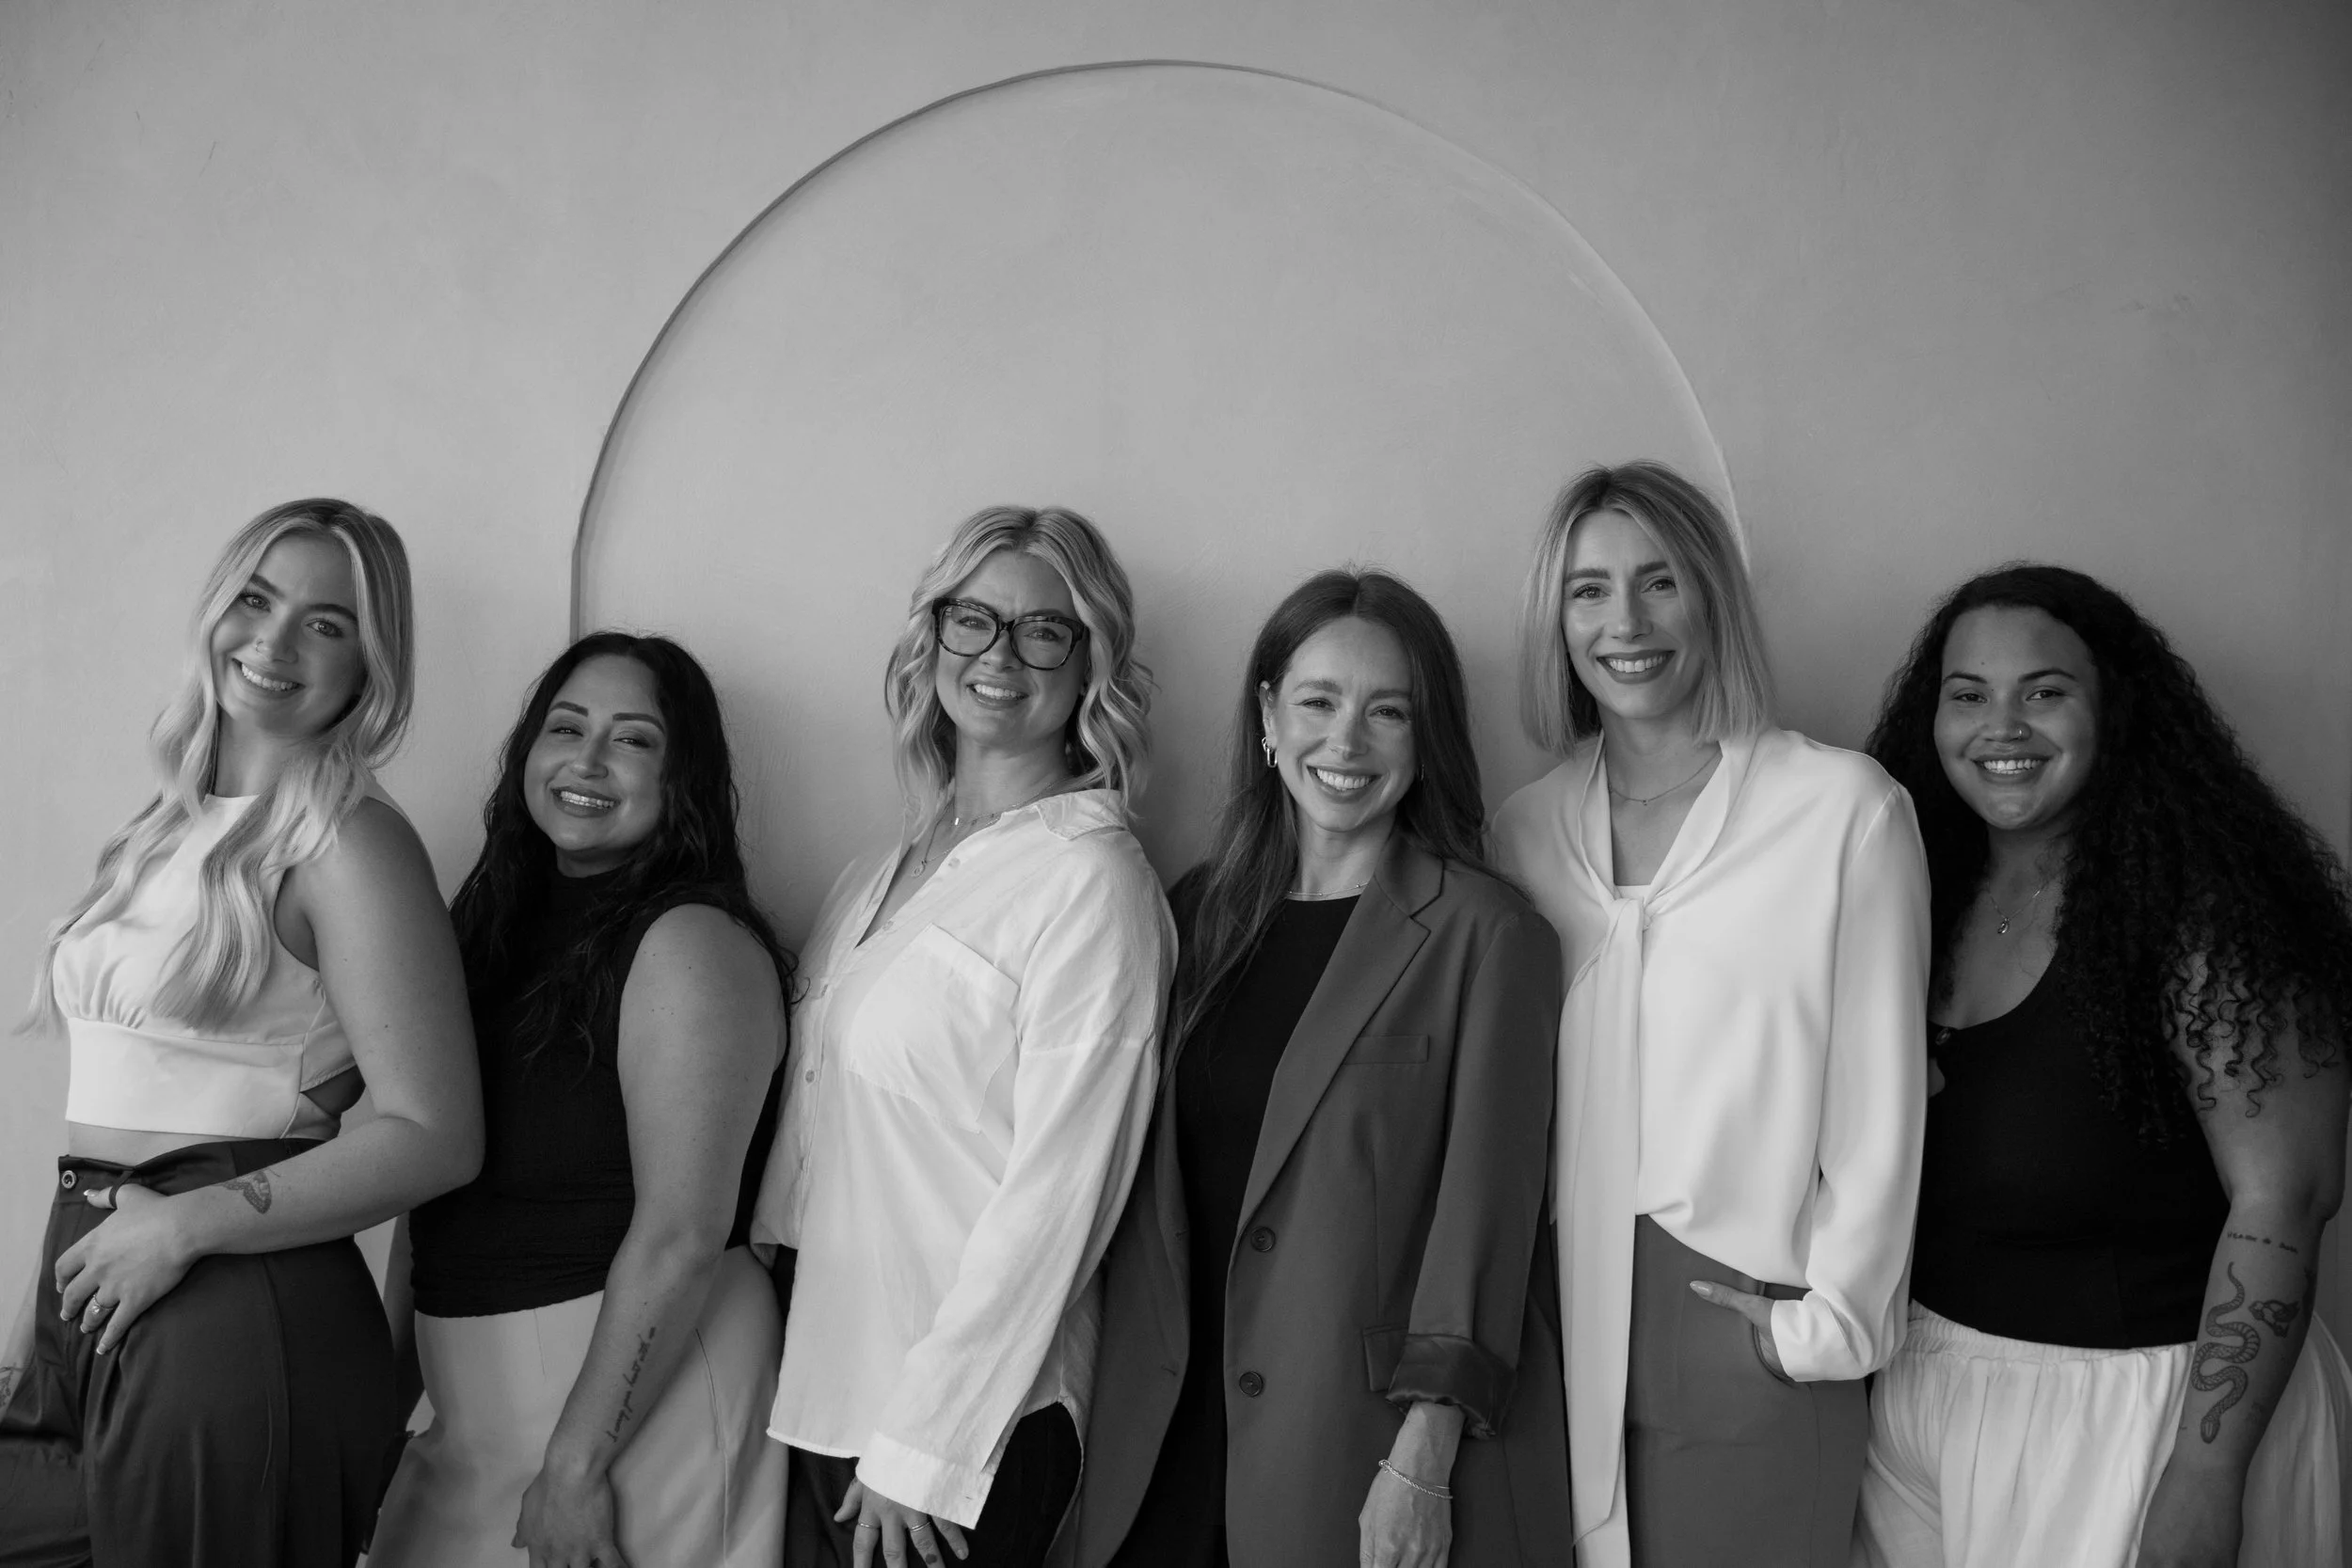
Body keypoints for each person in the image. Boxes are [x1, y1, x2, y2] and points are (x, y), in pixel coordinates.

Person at [0, 499, 482, 1566]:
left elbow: (435, 1131)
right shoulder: (164, 823)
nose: (272, 641)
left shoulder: (349, 841)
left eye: (327, 621)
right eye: (258, 598)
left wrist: (185, 1225)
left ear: (370, 663)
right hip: (97, 1266)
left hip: (226, 1283)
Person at [1061, 568, 1573, 1568]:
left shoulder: (1487, 932)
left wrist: (1420, 1461)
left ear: (1427, 739)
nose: (1346, 742)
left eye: (1389, 710)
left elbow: (1487, 1223)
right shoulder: (1197, 912)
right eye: (1318, 701)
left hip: (1352, 1450)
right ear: (1267, 712)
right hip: (1159, 1436)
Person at [1851, 563, 2352, 1568]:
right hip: (1928, 1391)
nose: (2002, 726)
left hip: (2138, 1408)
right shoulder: (1920, 888)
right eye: (1968, 694)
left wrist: (2203, 1476)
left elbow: (2284, 1199)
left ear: (2114, 708)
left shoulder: (2208, 913)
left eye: (2044, 691)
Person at [1489, 461, 1931, 1568]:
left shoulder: (1842, 812)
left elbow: (1880, 1106)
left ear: (1712, 598)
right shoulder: (1523, 831)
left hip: (1745, 1327)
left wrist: (1820, 1330)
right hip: (1551, 1336)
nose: (1623, 622)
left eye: (1658, 582)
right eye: (1588, 590)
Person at [753, 505, 1174, 1568]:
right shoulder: (880, 870)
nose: (999, 654)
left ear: (1091, 666)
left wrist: (925, 1442)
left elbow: (1061, 1193)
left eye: (1044, 629)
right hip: (831, 1391)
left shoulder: (1091, 878)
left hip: (964, 1434)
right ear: (931, 635)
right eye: (972, 619)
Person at [370, 632, 795, 1568]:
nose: (588, 760)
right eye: (566, 726)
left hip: (632, 1388)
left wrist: (575, 1462)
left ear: (682, 775)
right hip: (473, 1388)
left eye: (634, 738)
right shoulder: (488, 926)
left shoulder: (691, 942)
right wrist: (383, 1404)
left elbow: (683, 1227)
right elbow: (436, 1183)